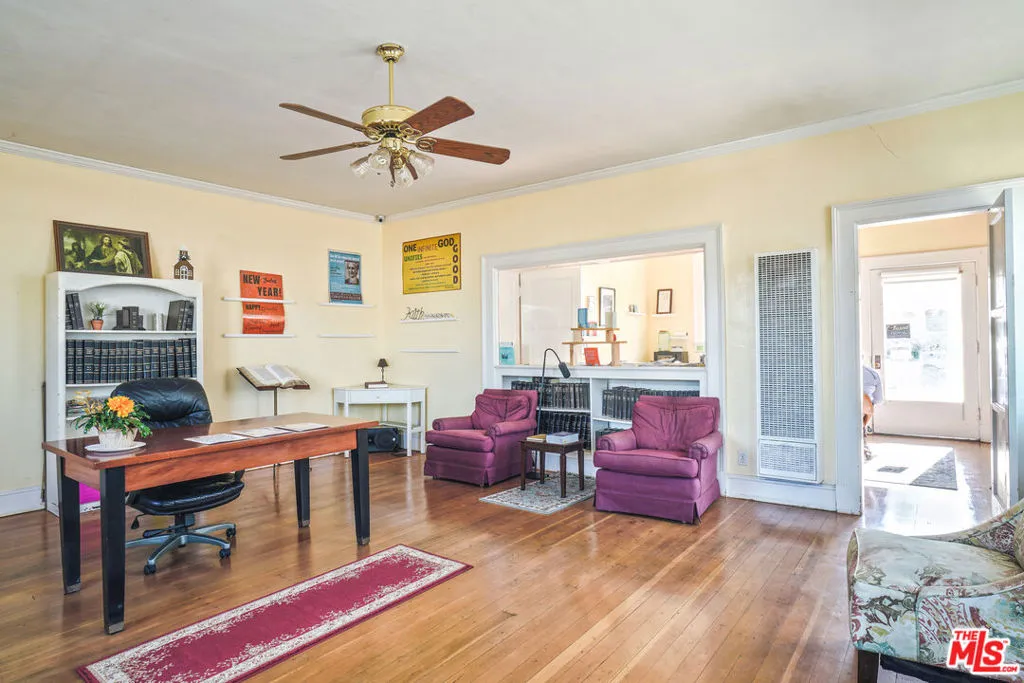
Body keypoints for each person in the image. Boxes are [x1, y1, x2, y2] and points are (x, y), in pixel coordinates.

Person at [863, 365, 883, 458]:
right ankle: (864, 447)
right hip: (862, 412)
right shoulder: (872, 373)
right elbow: (878, 399)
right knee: (867, 406)